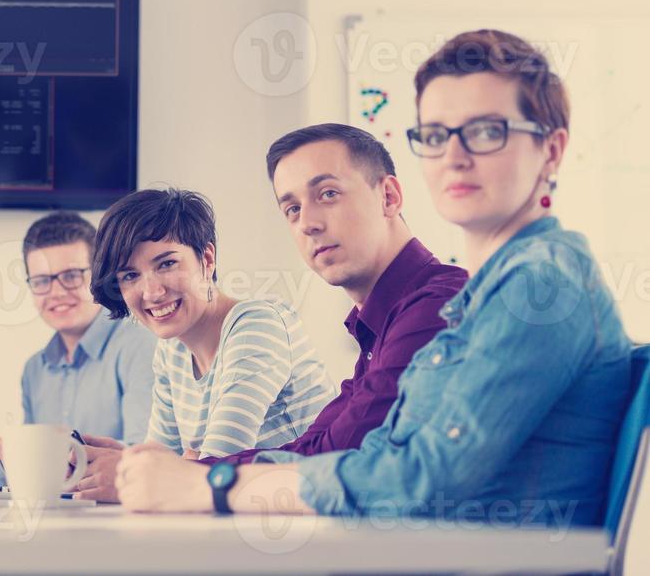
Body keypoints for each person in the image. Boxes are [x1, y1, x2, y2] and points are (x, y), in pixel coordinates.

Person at [118, 30, 632, 527]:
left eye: (486, 131)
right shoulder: (481, 299)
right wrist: (189, 475)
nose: (453, 156)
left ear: (552, 150)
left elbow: (414, 479)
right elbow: (372, 453)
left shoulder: (541, 286)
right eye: (435, 136)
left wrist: (213, 486)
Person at [205, 123, 465, 466]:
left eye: (328, 193)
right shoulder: (377, 326)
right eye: (292, 209)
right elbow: (308, 447)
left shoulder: (438, 304)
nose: (307, 223)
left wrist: (182, 478)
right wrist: (176, 470)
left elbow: (331, 457)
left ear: (388, 197)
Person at [79, 187, 335, 502]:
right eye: (130, 275)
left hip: (310, 521)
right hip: (241, 520)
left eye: (166, 264)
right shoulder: (171, 350)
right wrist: (132, 460)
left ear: (207, 259)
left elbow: (214, 469)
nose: (152, 291)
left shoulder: (258, 324)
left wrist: (132, 472)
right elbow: (167, 462)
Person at [18, 211, 154, 445]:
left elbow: (145, 453)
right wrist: (13, 457)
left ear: (99, 277)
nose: (57, 293)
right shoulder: (34, 371)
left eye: (71, 276)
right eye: (41, 281)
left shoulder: (140, 347)